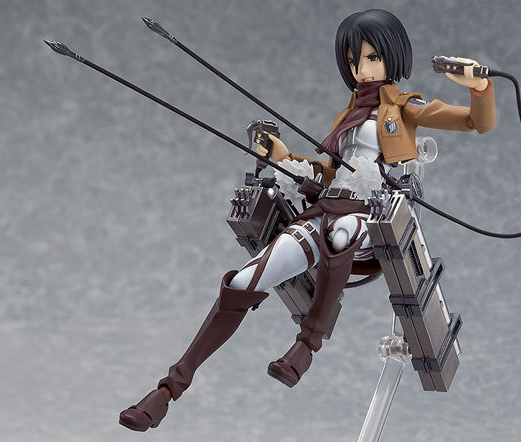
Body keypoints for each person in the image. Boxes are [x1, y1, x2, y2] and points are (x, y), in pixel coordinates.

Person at [119, 8, 496, 432]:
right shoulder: (347, 118)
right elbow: (326, 174)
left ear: (393, 56)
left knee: (341, 234)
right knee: (243, 281)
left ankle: (306, 345)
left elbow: (475, 122)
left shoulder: (406, 108)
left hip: (369, 222)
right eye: (353, 61)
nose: (362, 70)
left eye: (372, 58)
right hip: (327, 209)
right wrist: (280, 155)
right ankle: (168, 389)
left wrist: (480, 87)